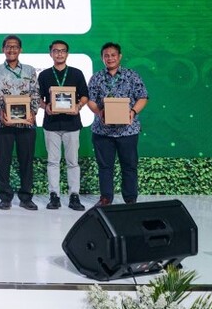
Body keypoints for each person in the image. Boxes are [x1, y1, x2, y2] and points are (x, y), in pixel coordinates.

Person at [86, 42, 148, 207]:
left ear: (119, 56)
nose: (110, 58)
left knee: (129, 166)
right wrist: (99, 112)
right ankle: (106, 198)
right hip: (103, 131)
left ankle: (130, 199)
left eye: (113, 55)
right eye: (106, 55)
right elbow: (90, 101)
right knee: (105, 166)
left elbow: (143, 97)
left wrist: (133, 112)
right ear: (102, 58)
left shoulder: (132, 75)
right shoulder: (97, 77)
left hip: (127, 131)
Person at [0, 35, 40, 211]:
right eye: (8, 46)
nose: (12, 50)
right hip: (3, 123)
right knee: (4, 161)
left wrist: (32, 113)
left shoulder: (30, 70)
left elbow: (36, 94)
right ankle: (5, 197)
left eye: (15, 47)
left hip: (27, 124)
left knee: (26, 161)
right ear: (3, 49)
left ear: (20, 50)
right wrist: (1, 112)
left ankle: (26, 197)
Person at [37, 40, 89, 211]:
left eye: (62, 51)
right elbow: (38, 98)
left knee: (72, 161)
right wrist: (46, 107)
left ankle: (74, 195)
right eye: (55, 51)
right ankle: (54, 196)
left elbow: (84, 96)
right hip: (51, 124)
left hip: (72, 124)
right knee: (53, 161)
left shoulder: (76, 73)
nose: (59, 54)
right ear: (50, 53)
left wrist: (78, 106)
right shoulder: (44, 75)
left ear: (67, 54)